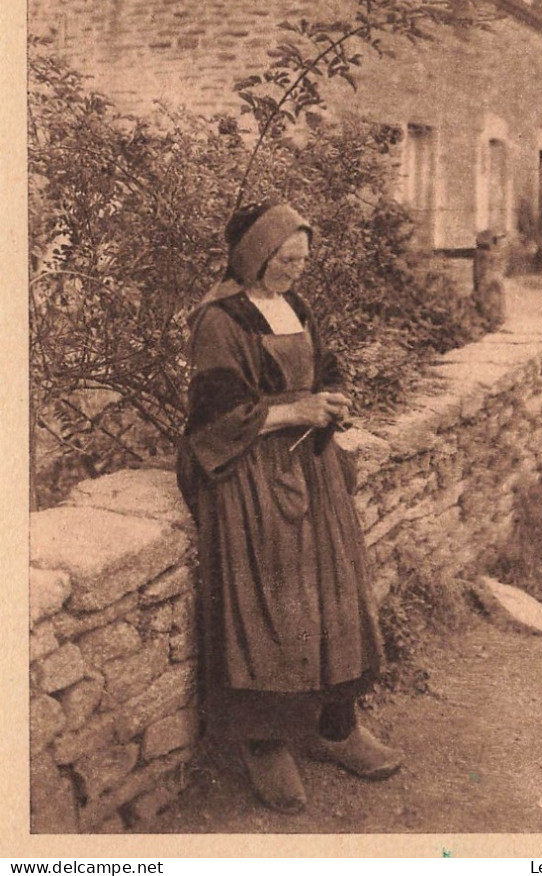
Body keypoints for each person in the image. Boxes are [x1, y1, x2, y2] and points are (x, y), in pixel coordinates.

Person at [177, 198, 402, 813]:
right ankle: (265, 743)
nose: (296, 271)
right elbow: (213, 417)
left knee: (336, 594)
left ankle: (336, 728)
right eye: (285, 259)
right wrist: (293, 412)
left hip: (312, 468)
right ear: (255, 255)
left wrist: (334, 398)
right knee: (265, 608)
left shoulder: (295, 307)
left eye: (303, 259)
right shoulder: (220, 320)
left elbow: (326, 367)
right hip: (248, 478)